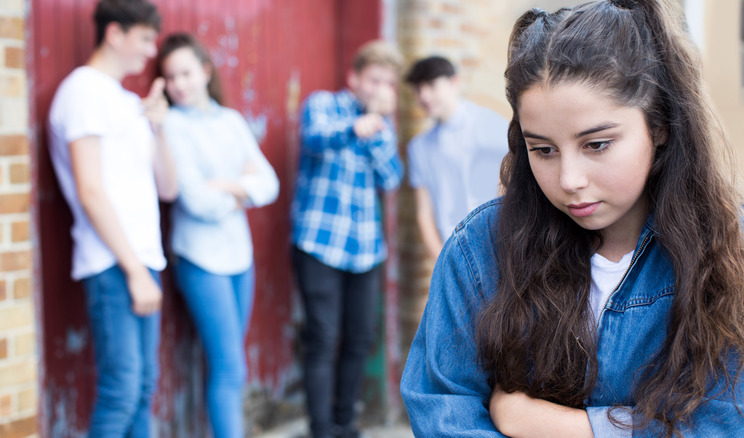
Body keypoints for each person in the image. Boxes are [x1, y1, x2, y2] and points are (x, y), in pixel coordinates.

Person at [400, 1, 744, 437]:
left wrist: (566, 426)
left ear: (659, 127)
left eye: (596, 144)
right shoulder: (478, 249)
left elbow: (717, 426)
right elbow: (443, 411)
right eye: (543, 149)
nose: (569, 179)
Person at [46, 0, 176, 436]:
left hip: (141, 262)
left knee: (142, 390)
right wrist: (135, 271)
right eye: (143, 38)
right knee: (122, 392)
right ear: (114, 33)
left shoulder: (125, 101)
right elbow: (91, 190)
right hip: (113, 265)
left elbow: (168, 189)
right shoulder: (83, 90)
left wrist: (157, 126)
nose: (149, 49)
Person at [157, 33, 280, 438]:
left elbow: (269, 184)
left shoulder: (230, 121)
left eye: (186, 72)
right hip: (199, 259)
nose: (179, 83)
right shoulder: (171, 125)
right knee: (230, 367)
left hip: (238, 258)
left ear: (205, 72)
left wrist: (223, 186)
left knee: (230, 364)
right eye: (170, 76)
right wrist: (241, 188)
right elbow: (196, 203)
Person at [291, 40, 404, 438]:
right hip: (319, 243)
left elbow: (392, 178)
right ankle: (321, 429)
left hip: (365, 250)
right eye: (374, 79)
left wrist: (375, 130)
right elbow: (315, 140)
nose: (379, 88)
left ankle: (344, 424)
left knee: (359, 339)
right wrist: (360, 126)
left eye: (387, 83)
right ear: (354, 78)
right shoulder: (324, 104)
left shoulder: (383, 125)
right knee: (322, 339)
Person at [404, 56, 508, 259]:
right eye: (418, 89)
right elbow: (424, 213)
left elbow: (508, 191)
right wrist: (444, 262)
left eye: (432, 85)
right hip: (453, 254)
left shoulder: (492, 126)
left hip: (499, 250)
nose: (424, 96)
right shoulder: (418, 147)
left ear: (454, 83)